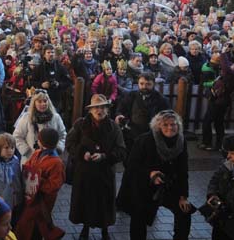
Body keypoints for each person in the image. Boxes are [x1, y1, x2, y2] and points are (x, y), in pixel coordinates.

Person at [117, 110, 193, 240]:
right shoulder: (145, 140)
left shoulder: (181, 141)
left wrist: (183, 196)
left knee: (184, 211)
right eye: (165, 125)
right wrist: (150, 174)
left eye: (173, 124)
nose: (170, 127)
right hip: (143, 185)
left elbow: (182, 171)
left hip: (167, 185)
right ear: (158, 126)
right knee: (139, 215)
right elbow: (132, 166)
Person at [66, 94, 126, 239]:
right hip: (84, 172)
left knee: (104, 203)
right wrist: (82, 153)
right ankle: (85, 229)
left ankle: (105, 230)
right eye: (96, 108)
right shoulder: (80, 124)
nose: (99, 110)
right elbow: (70, 144)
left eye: (102, 107)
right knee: (85, 202)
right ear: (90, 110)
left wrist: (104, 156)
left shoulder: (114, 128)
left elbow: (121, 151)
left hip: (104, 173)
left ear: (107, 109)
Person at [15, 127, 65, 240]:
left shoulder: (57, 163)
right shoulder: (38, 153)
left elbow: (54, 186)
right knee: (28, 223)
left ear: (41, 142)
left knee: (35, 225)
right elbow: (28, 165)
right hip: (31, 196)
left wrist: (38, 180)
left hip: (42, 201)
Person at [203, 134, 234, 240]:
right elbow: (214, 181)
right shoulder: (227, 165)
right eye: (228, 152)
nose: (228, 156)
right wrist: (212, 194)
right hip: (220, 220)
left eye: (232, 153)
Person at [114, 71, 170, 157]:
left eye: (148, 84)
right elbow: (121, 108)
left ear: (153, 84)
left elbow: (167, 116)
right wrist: (119, 115)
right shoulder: (131, 95)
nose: (144, 87)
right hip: (131, 133)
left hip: (152, 135)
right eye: (141, 83)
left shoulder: (161, 99)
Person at [13, 90, 66, 165]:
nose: (43, 104)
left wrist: (58, 148)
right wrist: (27, 151)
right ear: (34, 103)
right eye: (39, 101)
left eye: (45, 101)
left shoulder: (55, 118)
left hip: (51, 159)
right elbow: (17, 136)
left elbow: (63, 135)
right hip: (30, 160)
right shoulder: (27, 118)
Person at [31, 44, 71, 112]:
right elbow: (32, 82)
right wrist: (41, 85)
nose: (51, 54)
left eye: (52, 52)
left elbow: (68, 82)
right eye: (48, 52)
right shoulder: (39, 68)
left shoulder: (60, 67)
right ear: (44, 55)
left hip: (56, 97)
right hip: (42, 99)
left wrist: (59, 84)